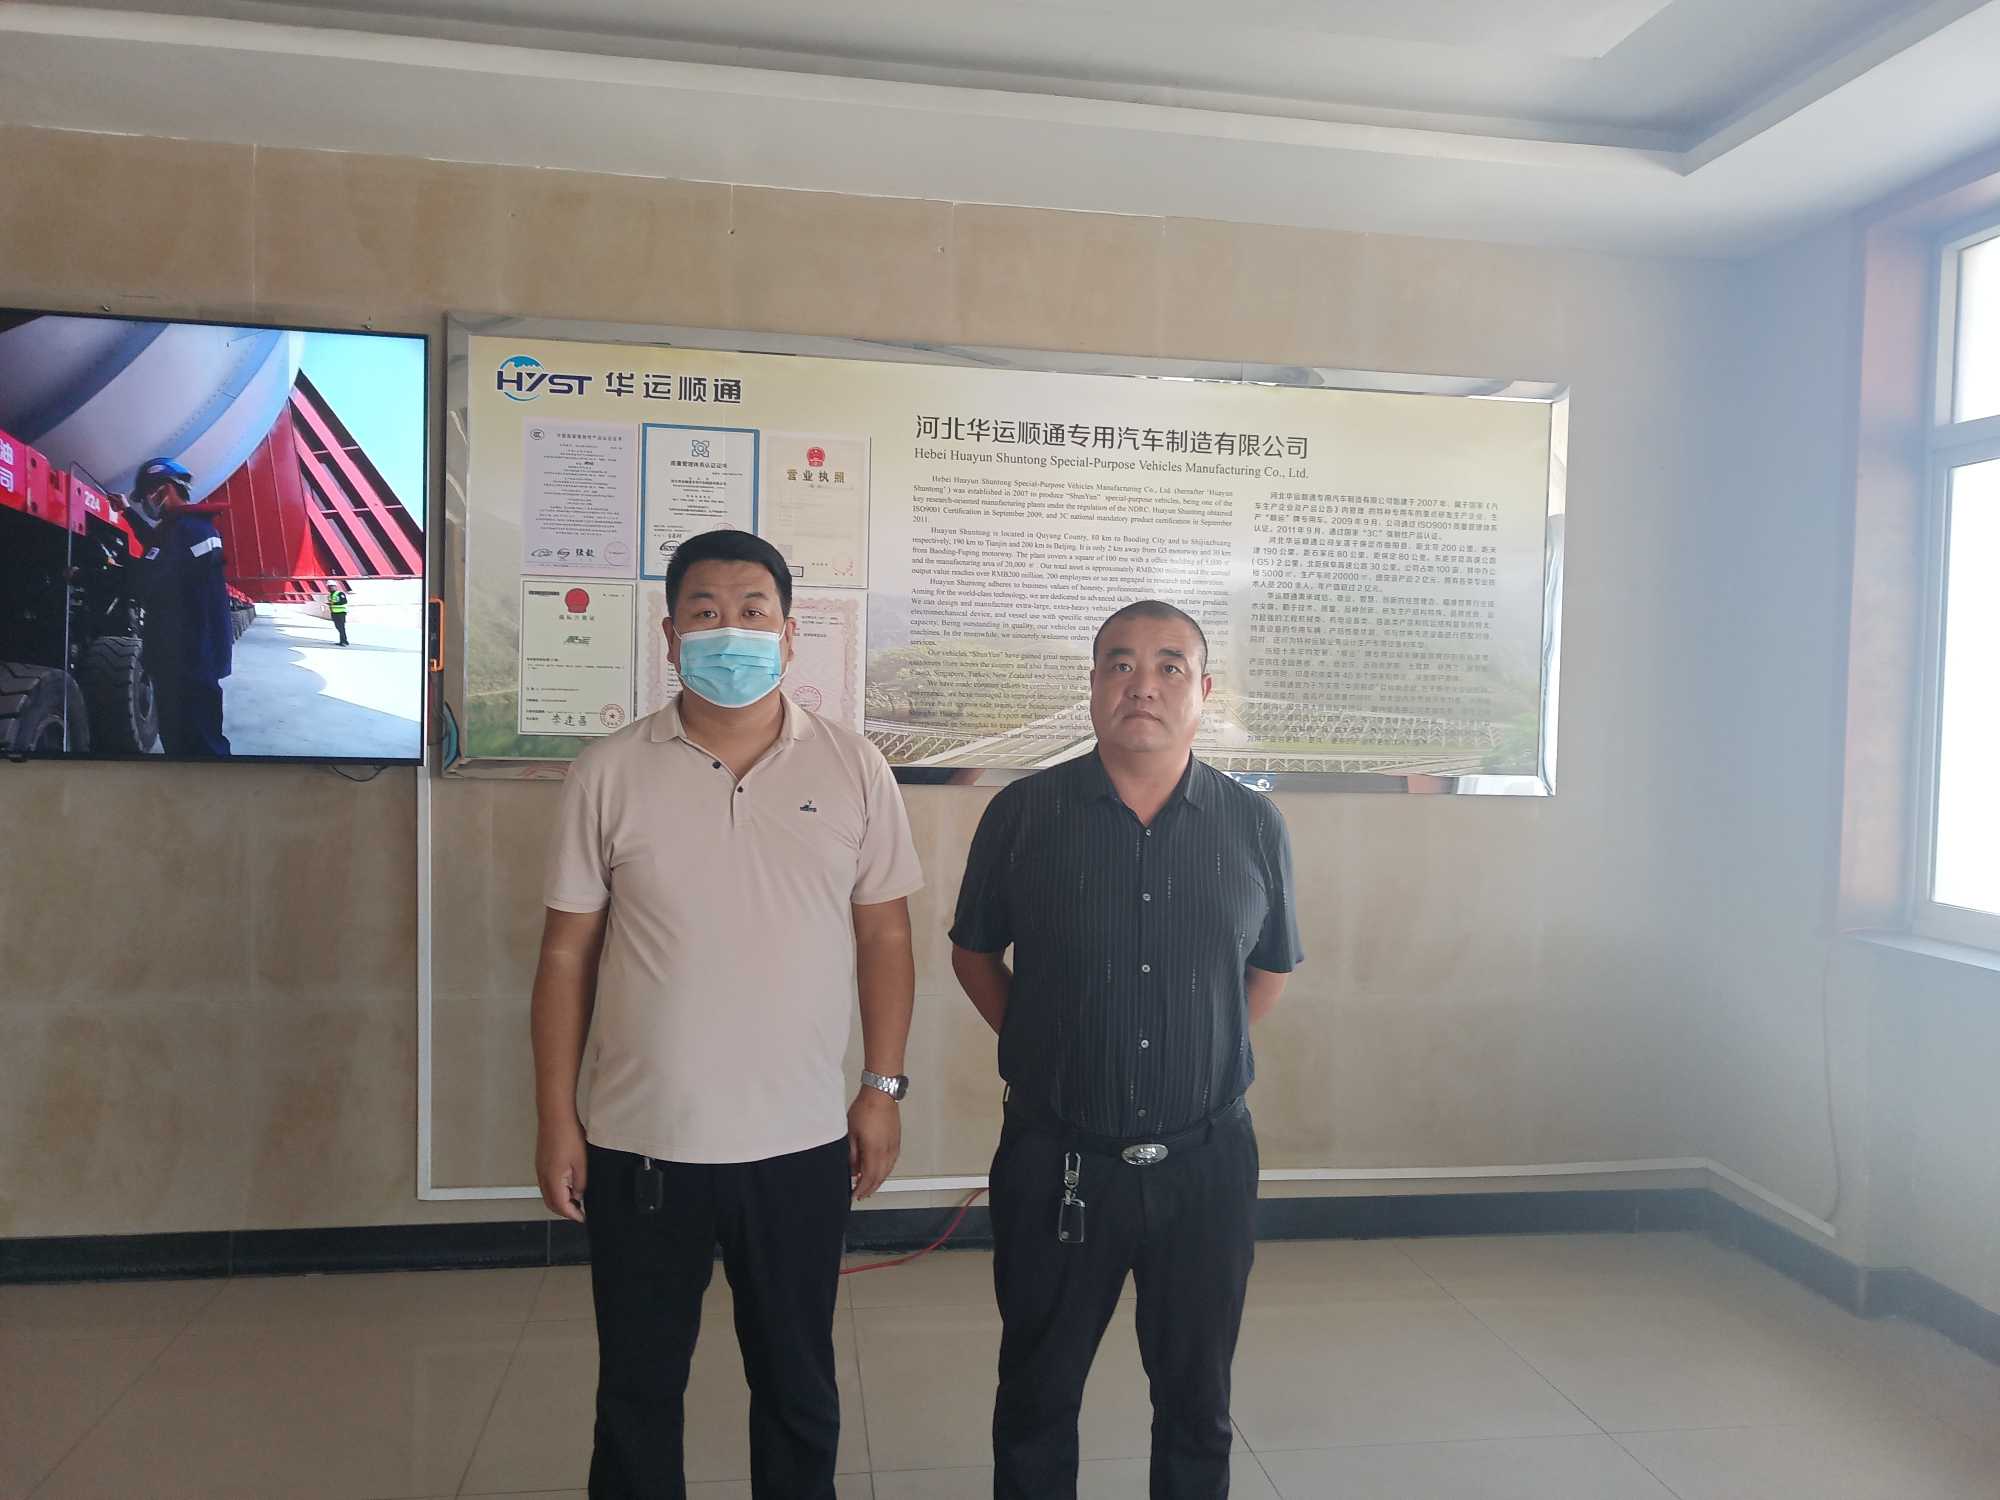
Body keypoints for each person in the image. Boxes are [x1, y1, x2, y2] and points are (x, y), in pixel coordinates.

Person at [531, 528, 922, 1500]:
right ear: (669, 636)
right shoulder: (607, 770)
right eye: (705, 612)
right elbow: (566, 953)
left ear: (789, 634)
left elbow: (885, 937)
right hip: (642, 1142)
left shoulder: (853, 767)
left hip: (799, 1142)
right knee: (636, 1389)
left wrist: (880, 1088)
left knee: (797, 1386)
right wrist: (556, 1118)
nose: (730, 630)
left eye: (753, 611)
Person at [950, 600, 1303, 1500]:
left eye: (1168, 666)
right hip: (1057, 1160)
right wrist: (1049, 1045)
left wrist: (1195, 1051)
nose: (1142, 684)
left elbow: (1268, 969)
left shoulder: (1253, 824)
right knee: (1036, 1395)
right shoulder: (1023, 814)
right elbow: (974, 954)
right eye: (1119, 664)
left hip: (1206, 1165)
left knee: (1197, 1402)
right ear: (1094, 684)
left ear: (1204, 690)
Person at [117, 456, 233, 757]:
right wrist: (127, 512)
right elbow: (158, 544)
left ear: (164, 489)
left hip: (186, 661)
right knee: (194, 738)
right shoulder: (191, 528)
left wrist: (98, 570)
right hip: (192, 656)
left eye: (146, 495)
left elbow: (149, 578)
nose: (146, 502)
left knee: (195, 743)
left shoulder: (187, 532)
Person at [327, 580, 349, 645]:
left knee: (341, 627)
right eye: (329, 587)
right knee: (338, 627)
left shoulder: (340, 594)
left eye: (332, 586)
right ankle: (343, 641)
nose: (331, 588)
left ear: (336, 587)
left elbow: (344, 601)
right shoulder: (330, 595)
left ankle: (343, 641)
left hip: (341, 613)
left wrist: (334, 603)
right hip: (334, 613)